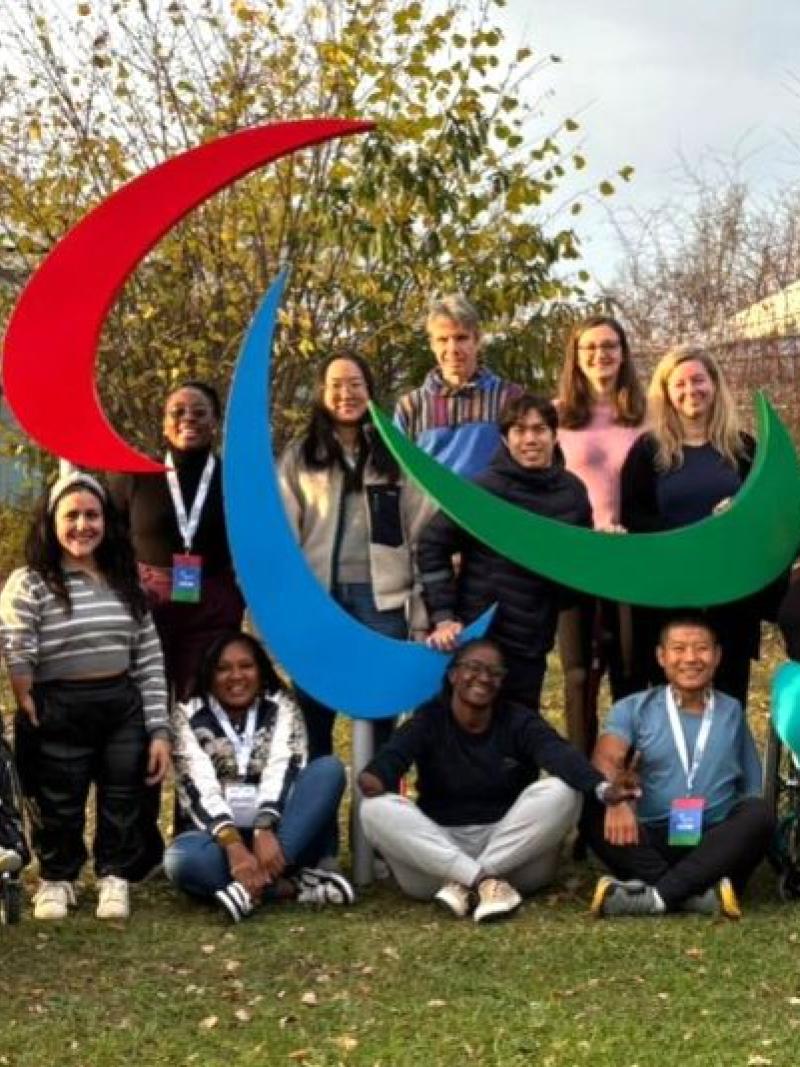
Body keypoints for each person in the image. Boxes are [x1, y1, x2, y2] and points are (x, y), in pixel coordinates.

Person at [359, 639, 634, 922]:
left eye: (494, 672)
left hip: (515, 859)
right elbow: (391, 759)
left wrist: (603, 788)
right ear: (453, 675)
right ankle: (482, 881)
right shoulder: (429, 720)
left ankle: (468, 881)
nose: (484, 678)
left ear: (502, 682)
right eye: (473, 668)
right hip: (437, 861)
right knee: (373, 808)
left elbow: (559, 754)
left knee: (563, 790)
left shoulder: (518, 720)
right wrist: (376, 777)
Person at [0, 472, 171, 921]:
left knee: (121, 797)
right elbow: (17, 642)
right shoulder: (31, 581)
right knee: (59, 800)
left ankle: (115, 875)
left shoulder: (125, 580)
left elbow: (149, 659)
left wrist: (159, 729)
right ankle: (59, 877)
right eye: (71, 515)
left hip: (120, 706)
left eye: (91, 515)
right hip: (55, 706)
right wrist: (24, 693)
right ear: (51, 522)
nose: (82, 525)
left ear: (106, 521)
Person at [108, 380, 245, 878]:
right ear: (164, 423)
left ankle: (194, 833)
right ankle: (139, 847)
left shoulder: (232, 480)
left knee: (198, 723)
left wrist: (234, 598)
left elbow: (250, 548)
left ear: (215, 423)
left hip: (209, 611)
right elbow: (110, 542)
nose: (189, 419)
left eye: (200, 411)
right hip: (147, 611)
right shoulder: (133, 477)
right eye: (178, 411)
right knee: (146, 722)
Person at [278, 352, 430, 758]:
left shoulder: (397, 453)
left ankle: (374, 817)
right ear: (322, 393)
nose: (346, 394)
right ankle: (320, 818)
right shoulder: (299, 456)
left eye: (355, 384)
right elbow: (284, 530)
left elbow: (421, 527)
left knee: (381, 716)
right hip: (320, 599)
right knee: (314, 716)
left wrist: (419, 601)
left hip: (383, 601)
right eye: (336, 385)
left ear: (370, 390)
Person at [585, 616, 774, 919]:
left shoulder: (731, 711)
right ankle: (696, 894)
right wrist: (616, 798)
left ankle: (657, 896)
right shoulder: (633, 708)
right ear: (661, 656)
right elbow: (605, 759)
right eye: (679, 648)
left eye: (701, 649)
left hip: (713, 843)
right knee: (589, 805)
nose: (690, 658)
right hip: (649, 839)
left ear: (717, 656)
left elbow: (752, 788)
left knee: (760, 813)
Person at [620, 346, 776, 707]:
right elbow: (634, 516)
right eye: (680, 384)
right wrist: (687, 539)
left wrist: (739, 514)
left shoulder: (743, 449)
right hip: (668, 591)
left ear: (714, 384)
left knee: (728, 693)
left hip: (730, 594)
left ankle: (725, 763)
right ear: (666, 392)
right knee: (670, 699)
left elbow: (764, 517)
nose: (691, 390)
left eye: (698, 380)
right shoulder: (648, 451)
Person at [164, 632, 354, 922]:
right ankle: (287, 887)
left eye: (246, 666)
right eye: (223, 668)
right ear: (209, 674)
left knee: (328, 769)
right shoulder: (187, 715)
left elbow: (283, 767)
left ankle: (246, 888)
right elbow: (197, 785)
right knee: (182, 860)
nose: (236, 676)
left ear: (261, 671)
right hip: (218, 841)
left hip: (281, 836)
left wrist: (264, 827)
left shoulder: (281, 705)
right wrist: (233, 846)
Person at [421, 393, 592, 710]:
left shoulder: (573, 492)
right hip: (481, 636)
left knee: (519, 734)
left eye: (539, 429)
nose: (530, 439)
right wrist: (444, 616)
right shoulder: (482, 489)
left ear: (555, 436)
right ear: (505, 438)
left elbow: (579, 572)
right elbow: (432, 544)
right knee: (471, 731)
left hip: (532, 641)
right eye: (519, 430)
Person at [555, 314, 646, 754]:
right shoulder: (556, 417)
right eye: (589, 347)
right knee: (578, 678)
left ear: (623, 353)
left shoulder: (648, 416)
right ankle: (581, 792)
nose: (600, 355)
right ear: (576, 357)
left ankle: (626, 787)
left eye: (609, 346)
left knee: (630, 674)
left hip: (631, 559)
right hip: (578, 559)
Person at [393, 294, 522, 477]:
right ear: (431, 344)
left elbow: (529, 465)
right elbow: (399, 471)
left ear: (477, 340)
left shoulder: (510, 398)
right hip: (429, 505)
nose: (452, 349)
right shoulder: (410, 407)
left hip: (491, 503)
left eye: (461, 338)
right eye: (443, 340)